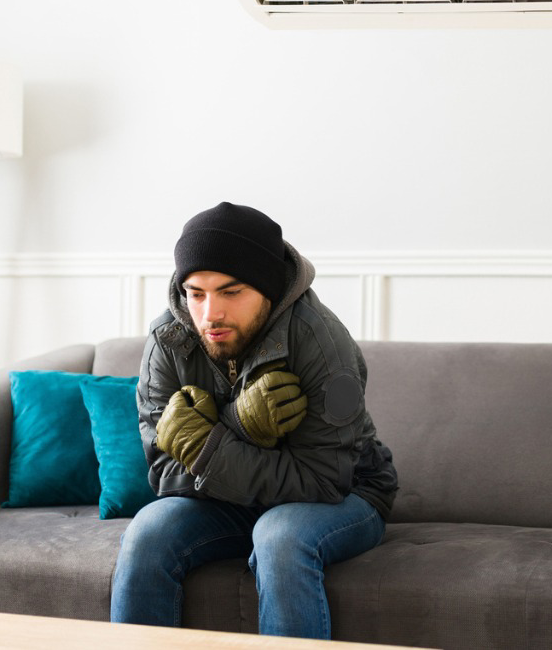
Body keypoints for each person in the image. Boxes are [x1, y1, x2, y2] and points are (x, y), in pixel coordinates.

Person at [110, 202, 398, 639]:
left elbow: (323, 481)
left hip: (349, 495)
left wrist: (209, 445)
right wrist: (238, 426)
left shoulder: (322, 343)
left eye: (231, 291)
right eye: (196, 292)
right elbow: (164, 473)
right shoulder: (168, 341)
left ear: (268, 288)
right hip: (226, 502)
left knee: (279, 536)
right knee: (147, 531)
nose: (210, 314)